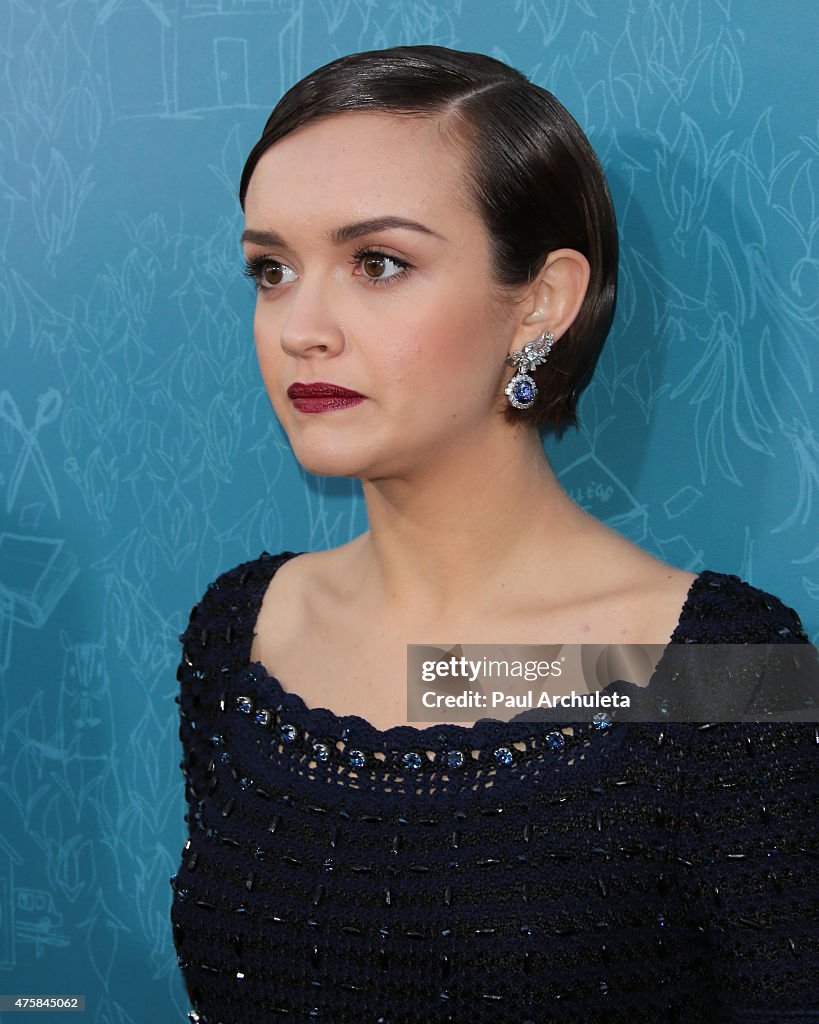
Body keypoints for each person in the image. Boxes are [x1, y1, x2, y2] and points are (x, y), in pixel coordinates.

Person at [169, 46, 819, 1023]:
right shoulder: (240, 629)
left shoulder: (729, 665)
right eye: (271, 270)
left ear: (542, 303)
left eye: (377, 263)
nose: (301, 325)